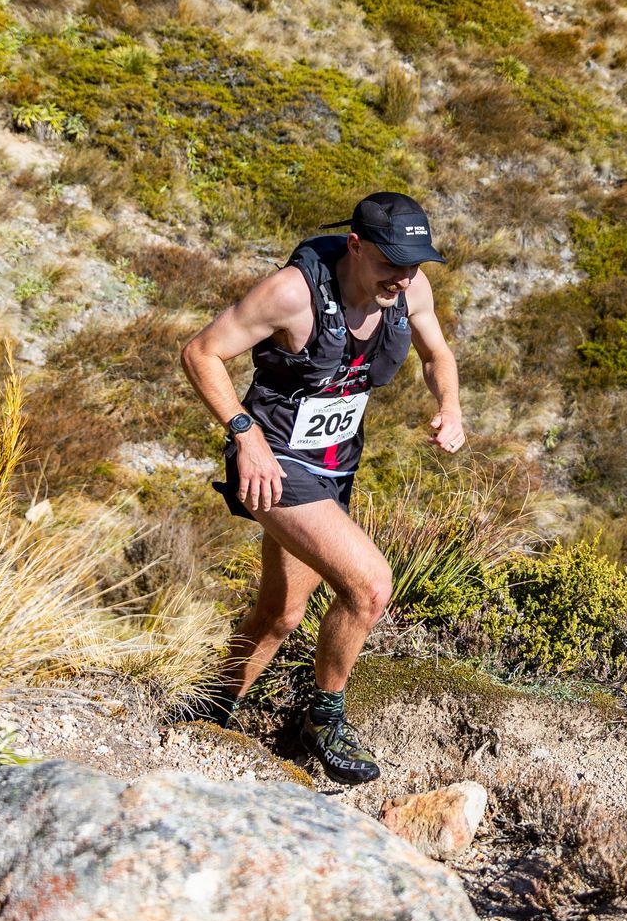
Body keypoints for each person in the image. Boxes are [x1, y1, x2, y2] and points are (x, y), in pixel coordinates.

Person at [176, 192, 464, 783]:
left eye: (413, 263)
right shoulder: (292, 294)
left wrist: (451, 405)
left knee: (281, 614)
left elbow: (438, 354)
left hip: (333, 468)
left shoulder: (411, 290)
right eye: (390, 262)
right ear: (354, 245)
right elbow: (201, 352)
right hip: (273, 464)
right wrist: (244, 436)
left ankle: (205, 712)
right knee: (370, 587)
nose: (402, 276)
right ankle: (324, 716)